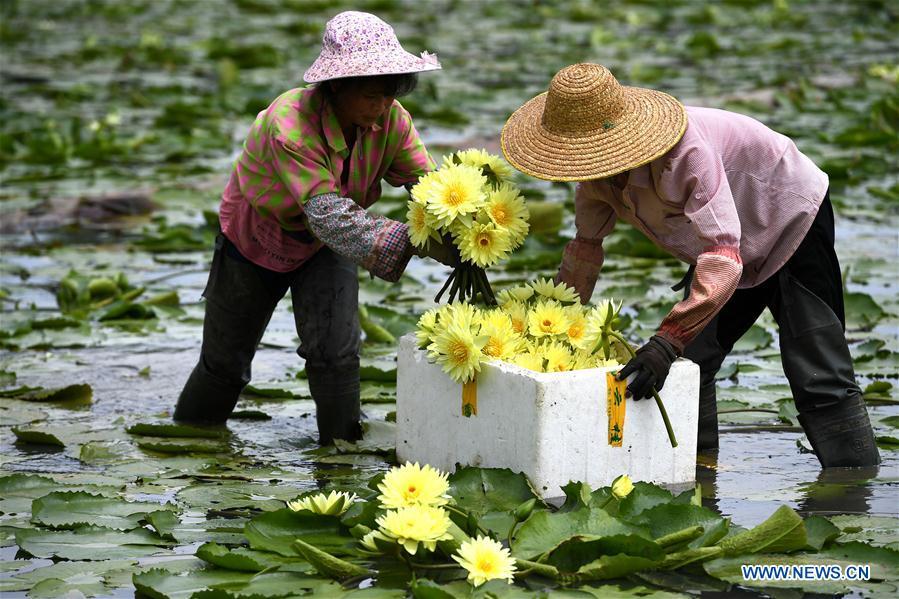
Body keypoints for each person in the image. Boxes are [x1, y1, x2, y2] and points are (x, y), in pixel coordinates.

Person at [500, 63, 879, 468]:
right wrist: (555, 326)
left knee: (818, 371)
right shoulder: (596, 179)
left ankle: (851, 489)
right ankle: (698, 474)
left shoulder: (685, 154)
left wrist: (666, 339)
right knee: (690, 365)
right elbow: (585, 247)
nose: (587, 166)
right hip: (724, 246)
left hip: (789, 217)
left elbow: (723, 254)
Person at [173, 11, 454, 444]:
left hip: (330, 242)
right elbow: (326, 213)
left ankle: (340, 456)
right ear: (337, 87)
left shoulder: (392, 119)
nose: (382, 108)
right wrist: (415, 242)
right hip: (256, 240)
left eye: (389, 94)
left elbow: (427, 185)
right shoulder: (290, 125)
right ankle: (191, 443)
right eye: (372, 96)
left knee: (337, 353)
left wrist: (457, 225)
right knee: (225, 363)